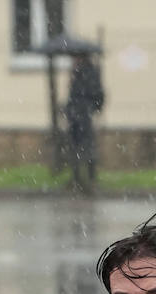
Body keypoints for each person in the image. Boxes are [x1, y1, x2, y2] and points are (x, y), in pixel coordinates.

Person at [64, 51, 105, 193]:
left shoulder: (89, 73)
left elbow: (97, 94)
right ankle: (77, 179)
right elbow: (73, 96)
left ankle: (90, 180)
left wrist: (90, 109)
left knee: (87, 148)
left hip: (84, 116)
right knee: (75, 147)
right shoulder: (77, 72)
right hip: (75, 116)